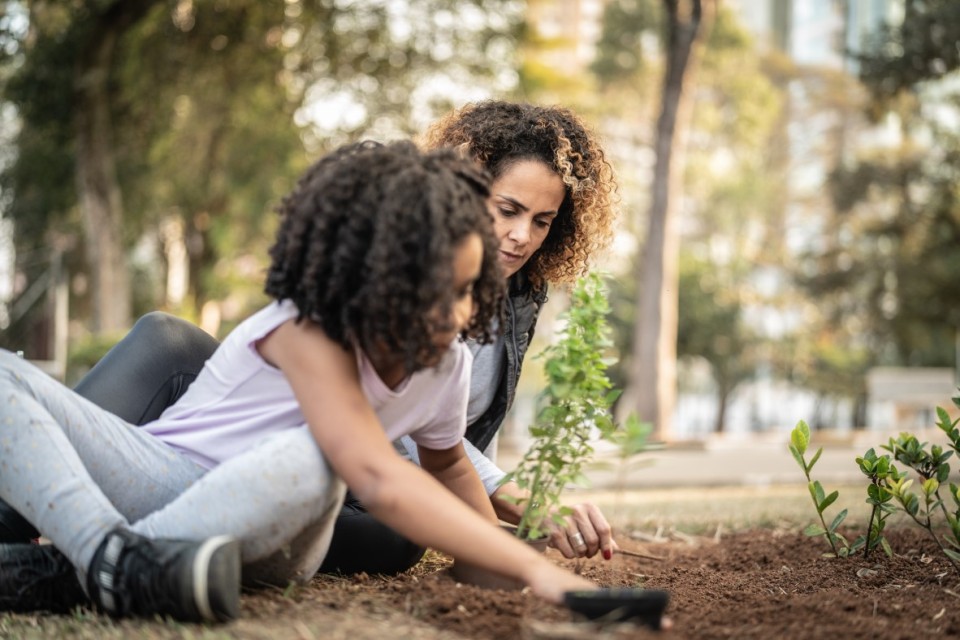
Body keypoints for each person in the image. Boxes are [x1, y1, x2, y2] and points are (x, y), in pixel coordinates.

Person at [0, 100, 622, 575]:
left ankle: (104, 548)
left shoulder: (515, 301)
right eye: (507, 209)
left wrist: (521, 532)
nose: (519, 237)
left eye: (541, 221)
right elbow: (385, 421)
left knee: (389, 526)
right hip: (311, 445)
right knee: (169, 341)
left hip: (342, 485)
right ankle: (50, 519)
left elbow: (436, 442)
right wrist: (519, 507)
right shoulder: (371, 280)